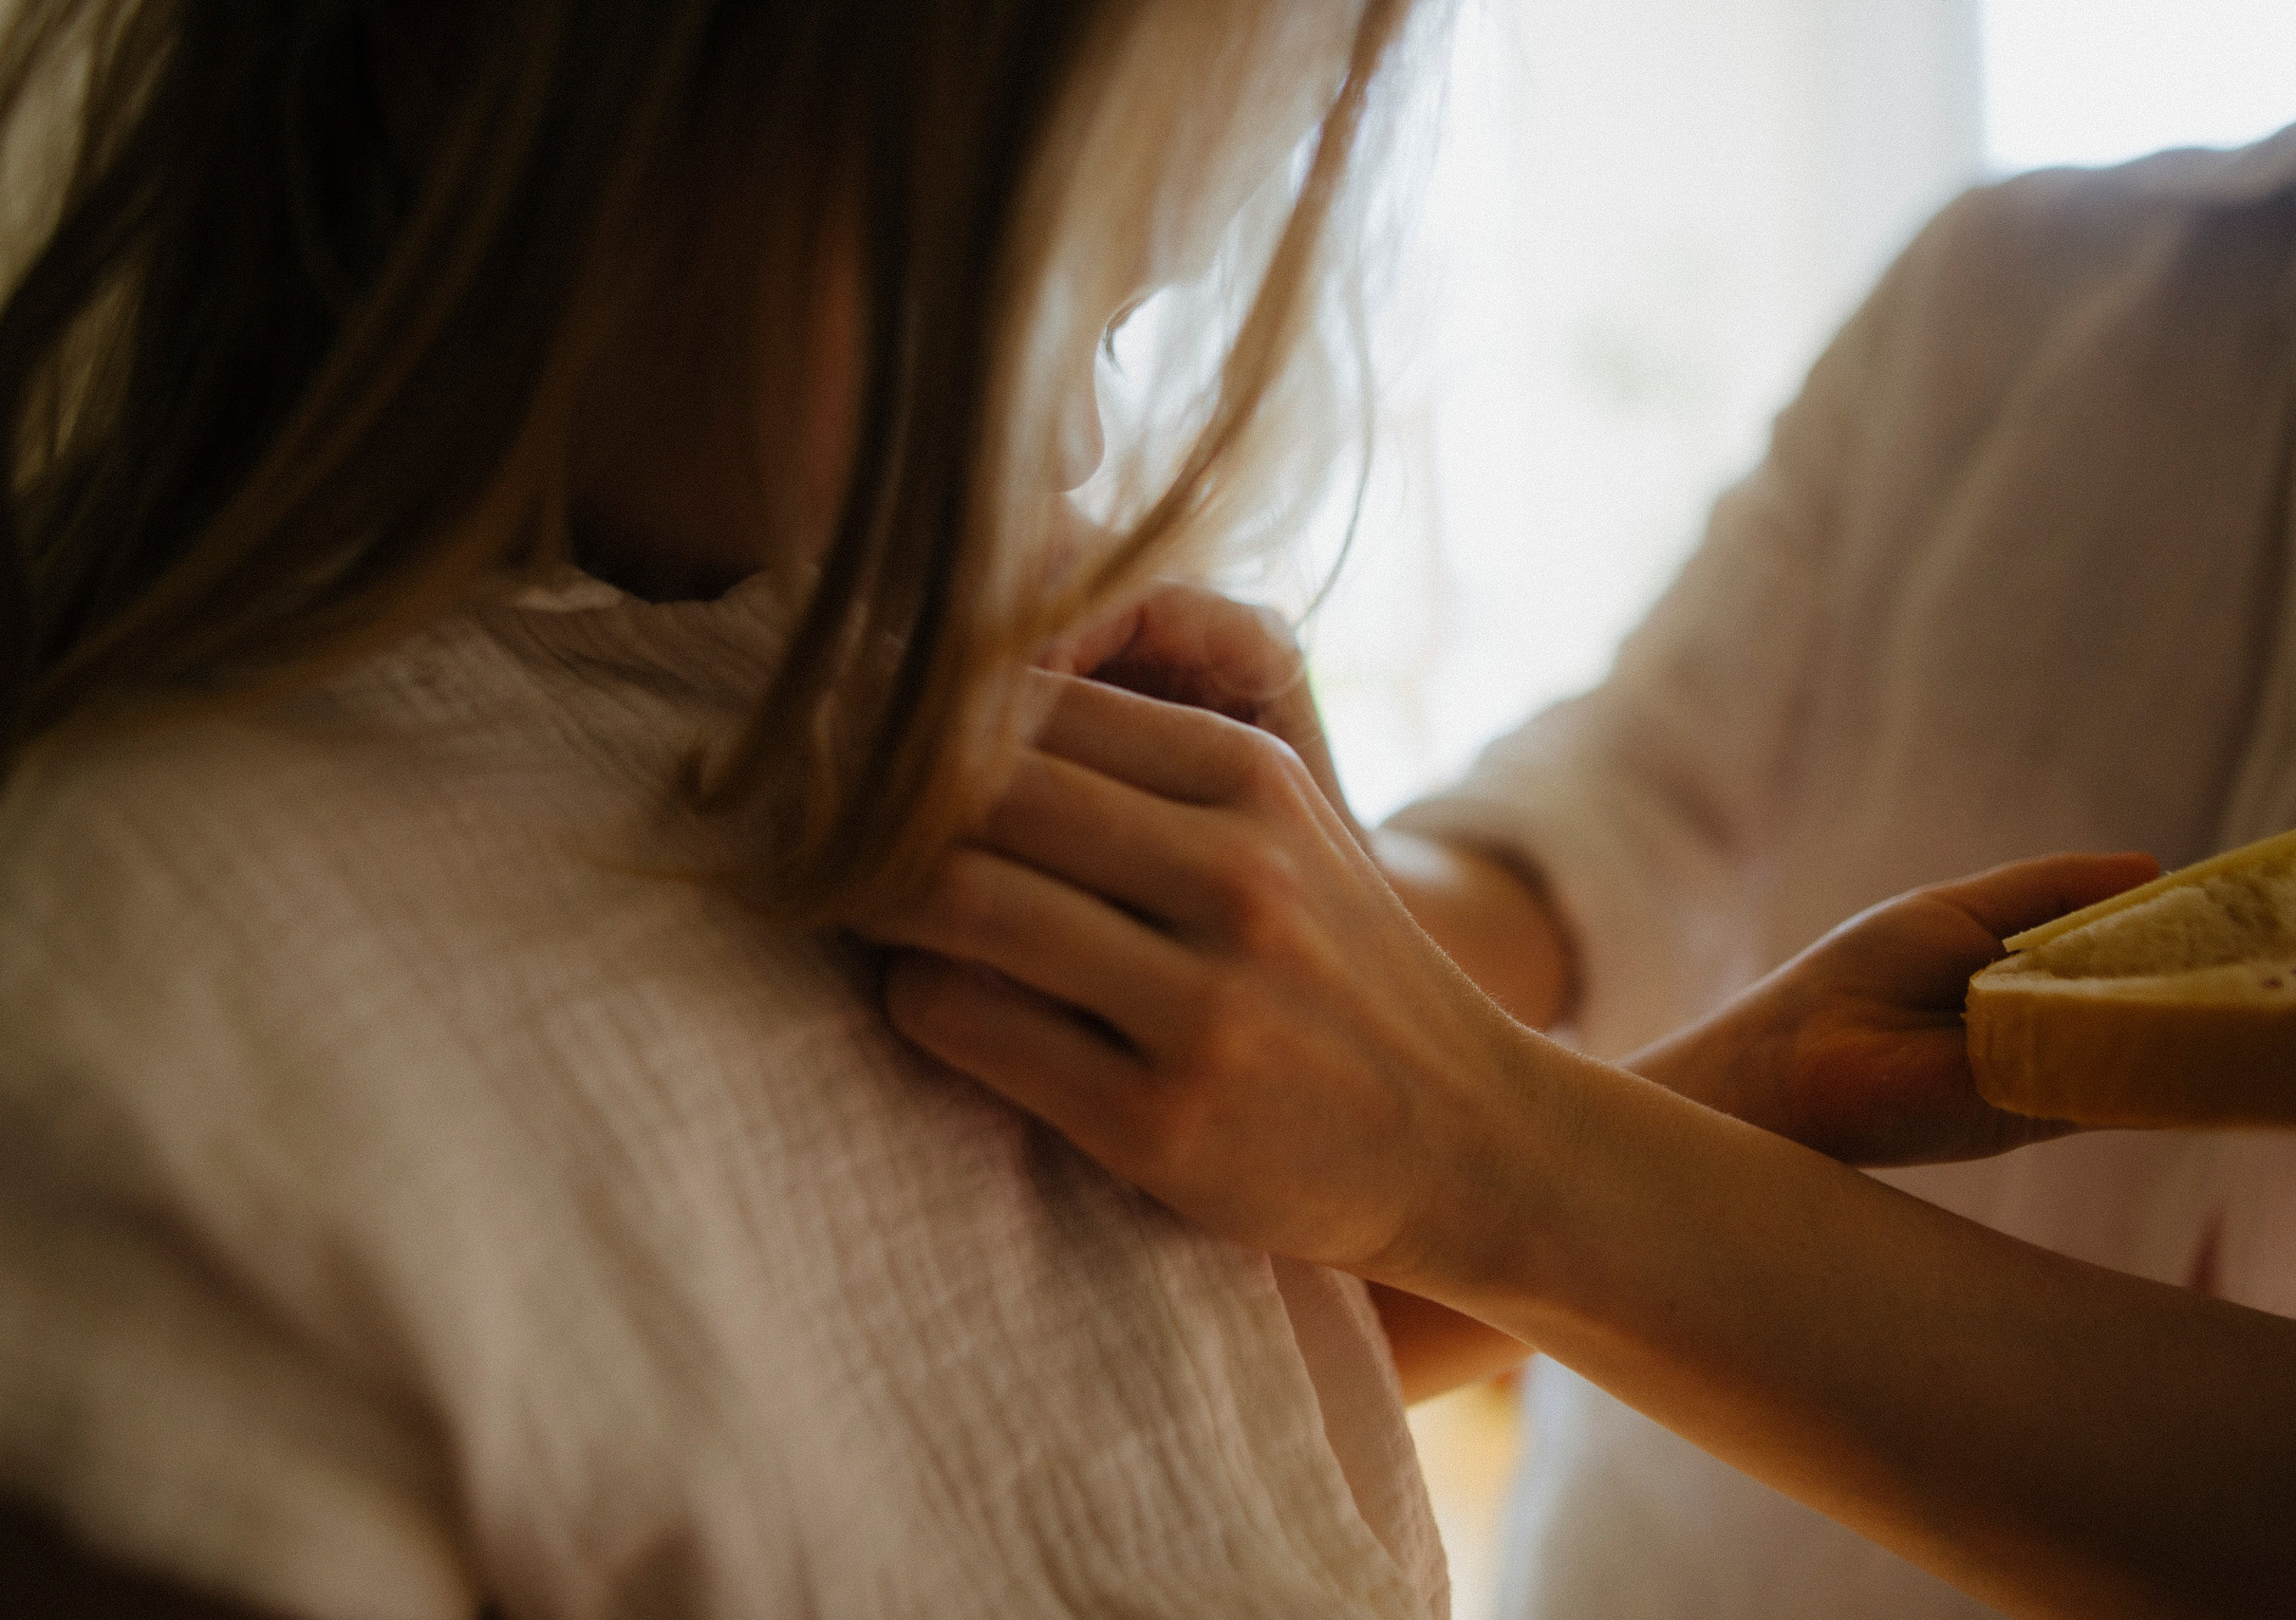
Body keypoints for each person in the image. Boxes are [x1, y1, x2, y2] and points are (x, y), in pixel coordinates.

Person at [862, 16, 2296, 1620]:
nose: (1076, 453)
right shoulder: (2015, 288)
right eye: (1107, 320)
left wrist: (1479, 1133)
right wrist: (1328, 876)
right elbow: (1627, 805)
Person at [0, 2, 1459, 1615]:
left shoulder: (945, 692)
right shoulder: (164, 1045)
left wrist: (1361, 1145)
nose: (1072, 449)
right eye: (1022, 289)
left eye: (1120, 331)